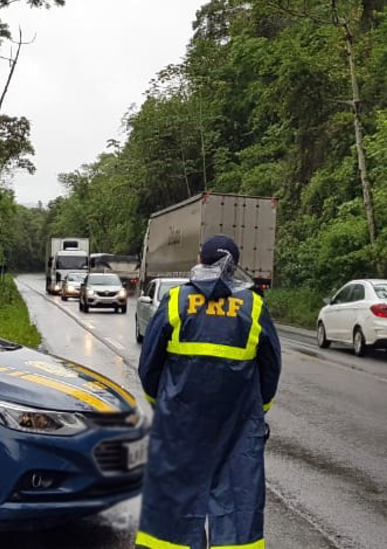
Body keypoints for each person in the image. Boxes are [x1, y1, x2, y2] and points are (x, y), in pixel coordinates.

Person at [136, 234, 282, 549]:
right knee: (237, 501)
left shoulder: (176, 301)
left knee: (173, 503)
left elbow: (149, 365)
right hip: (238, 426)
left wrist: (160, 403)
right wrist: (260, 410)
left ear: (200, 261)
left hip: (179, 424)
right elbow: (270, 368)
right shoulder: (253, 307)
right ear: (236, 268)